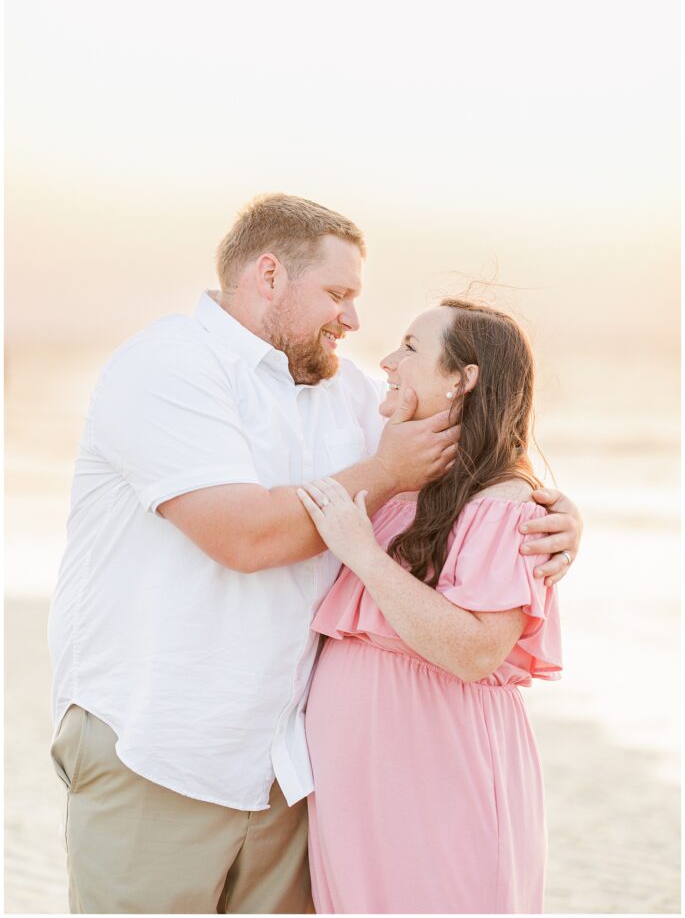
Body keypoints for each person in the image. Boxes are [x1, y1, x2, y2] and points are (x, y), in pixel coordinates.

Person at [48, 194, 581, 914]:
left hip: (287, 770)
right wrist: (385, 472)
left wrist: (553, 515)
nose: (354, 321)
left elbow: (462, 461)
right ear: (268, 276)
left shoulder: (350, 395)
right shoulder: (168, 368)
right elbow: (245, 535)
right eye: (338, 293)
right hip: (160, 746)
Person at [297, 299, 565, 914]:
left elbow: (475, 651)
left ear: (462, 378)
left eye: (412, 349)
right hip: (365, 787)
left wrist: (366, 557)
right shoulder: (405, 481)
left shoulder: (505, 504)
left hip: (440, 775)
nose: (388, 361)